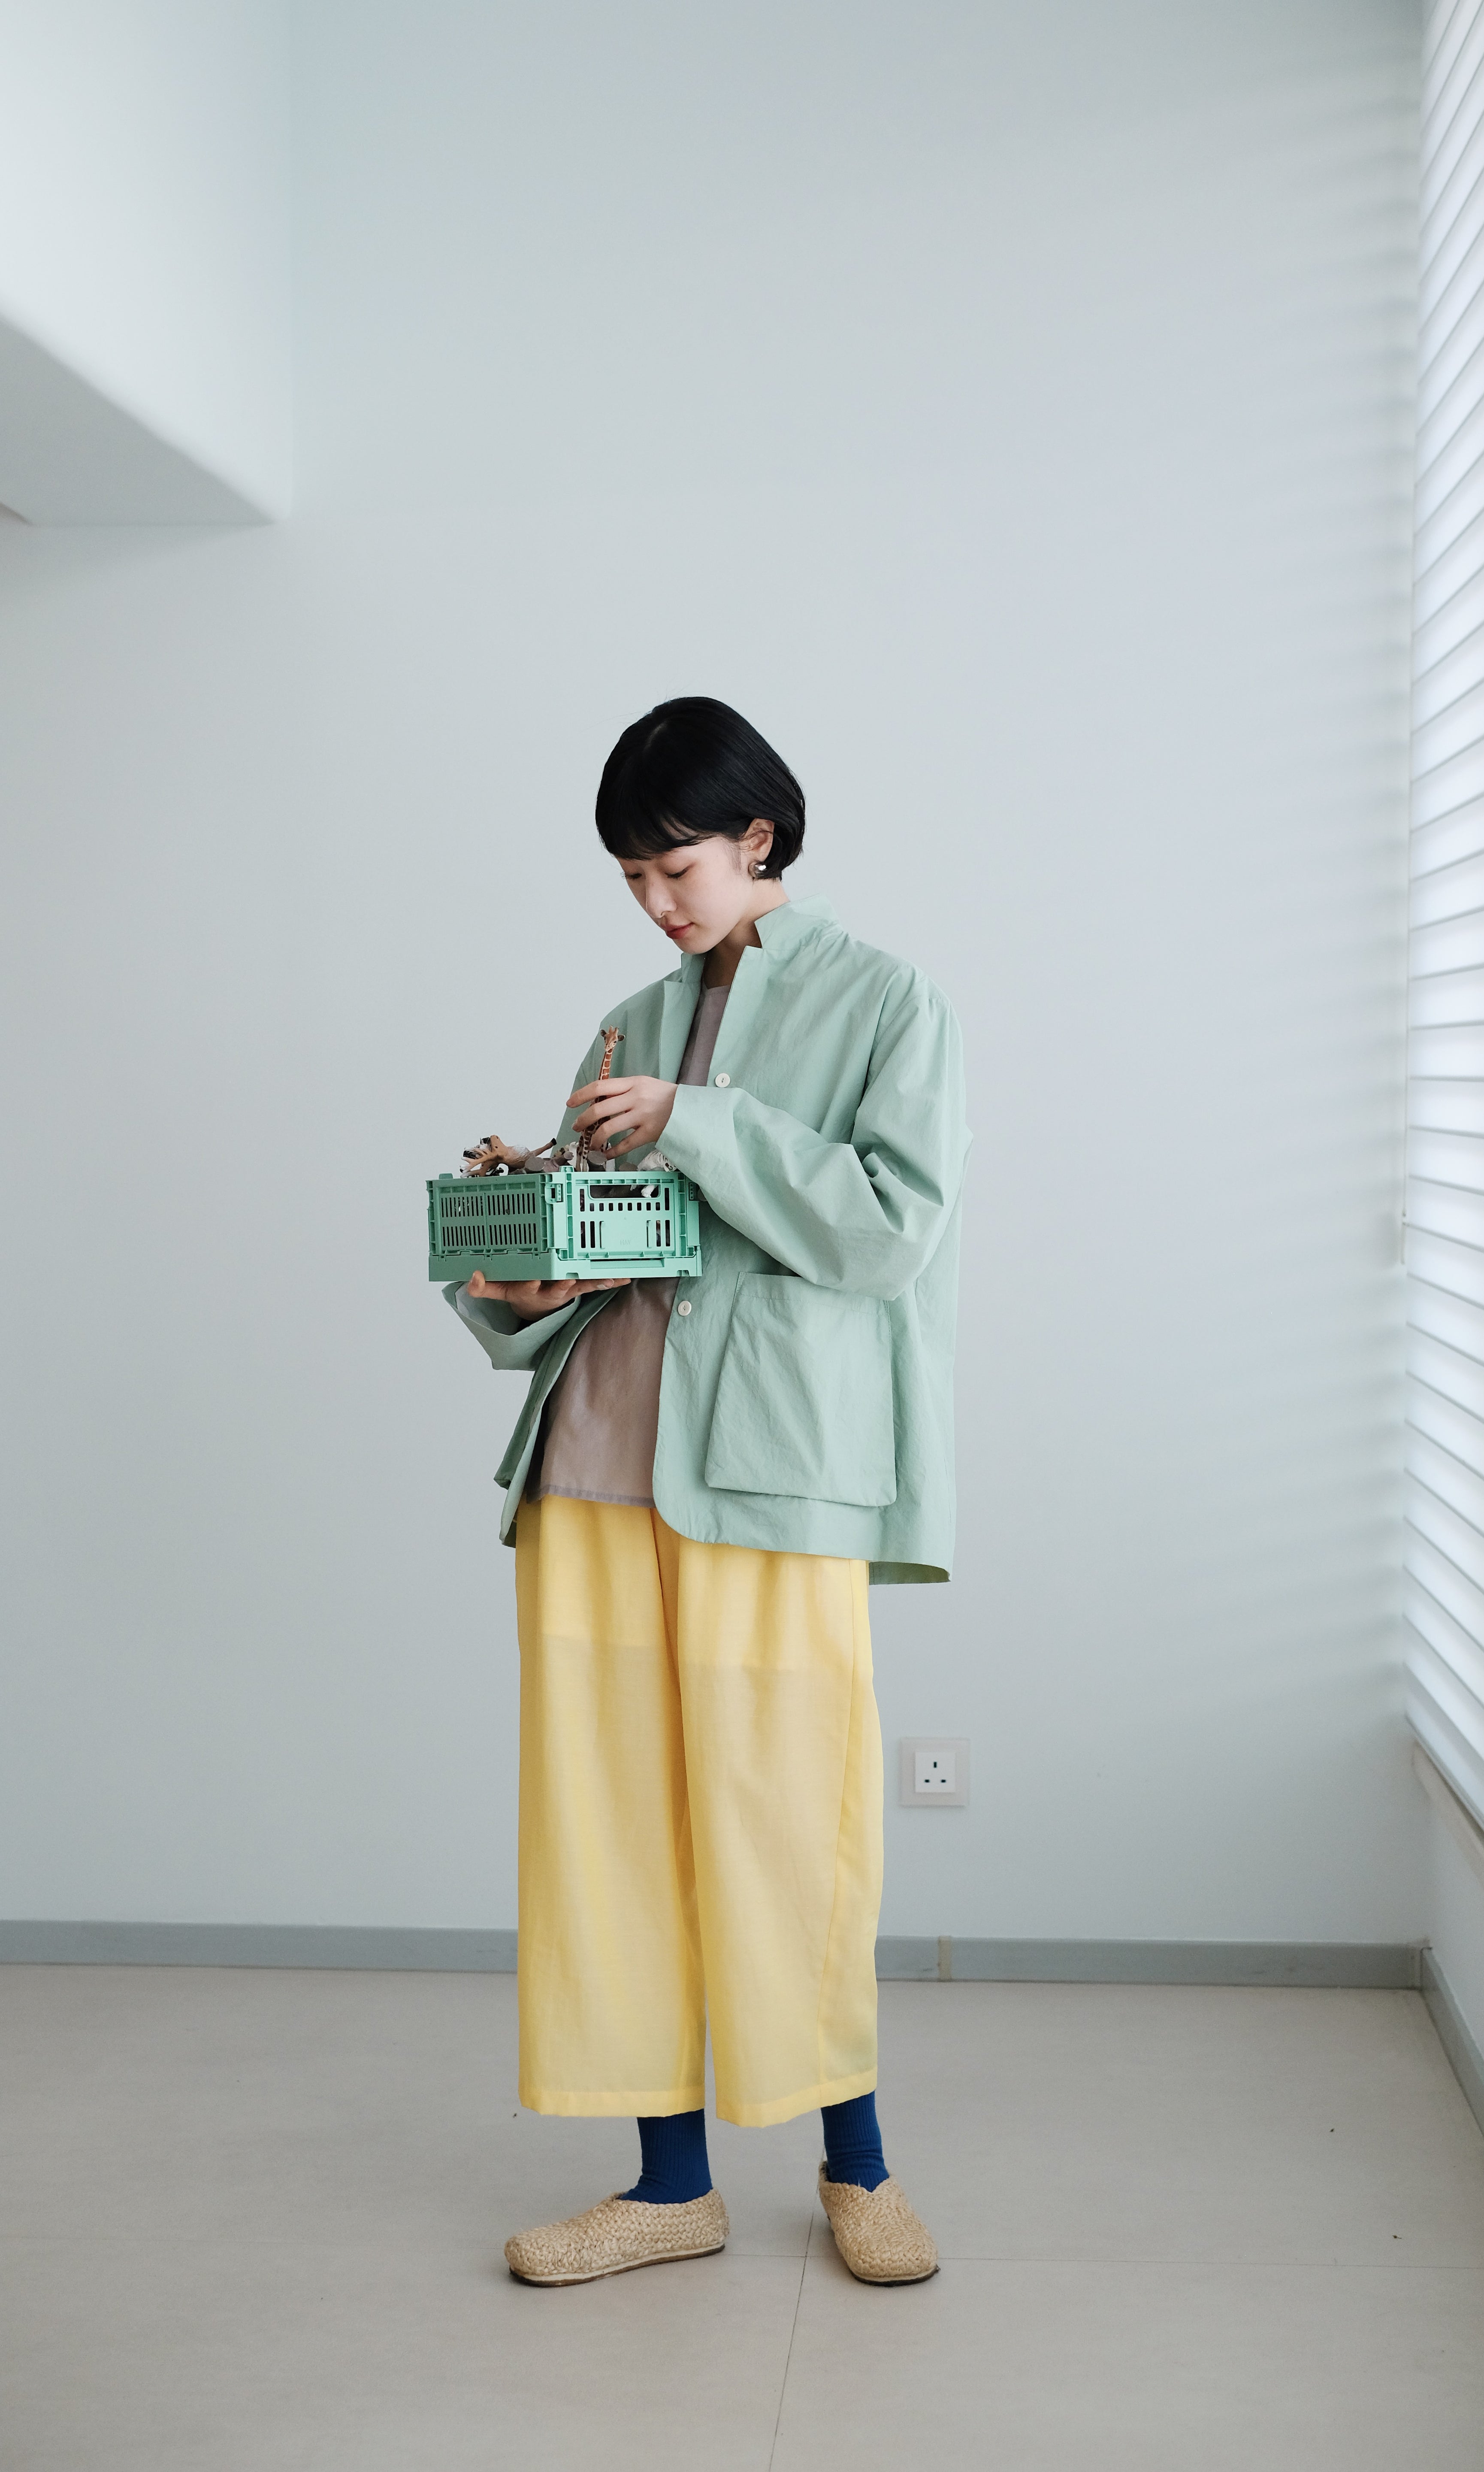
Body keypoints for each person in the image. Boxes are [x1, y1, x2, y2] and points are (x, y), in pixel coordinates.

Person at [447, 696, 969, 2287]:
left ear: (759, 837)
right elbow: (589, 1240)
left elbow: (890, 1231)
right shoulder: (624, 1022)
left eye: (675, 867)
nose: (657, 902)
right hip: (597, 1461)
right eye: (632, 878)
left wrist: (700, 1122)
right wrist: (516, 1273)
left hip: (773, 1472)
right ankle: (669, 2186)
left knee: (790, 1815)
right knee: (607, 1827)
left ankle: (858, 2166)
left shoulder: (887, 1002)